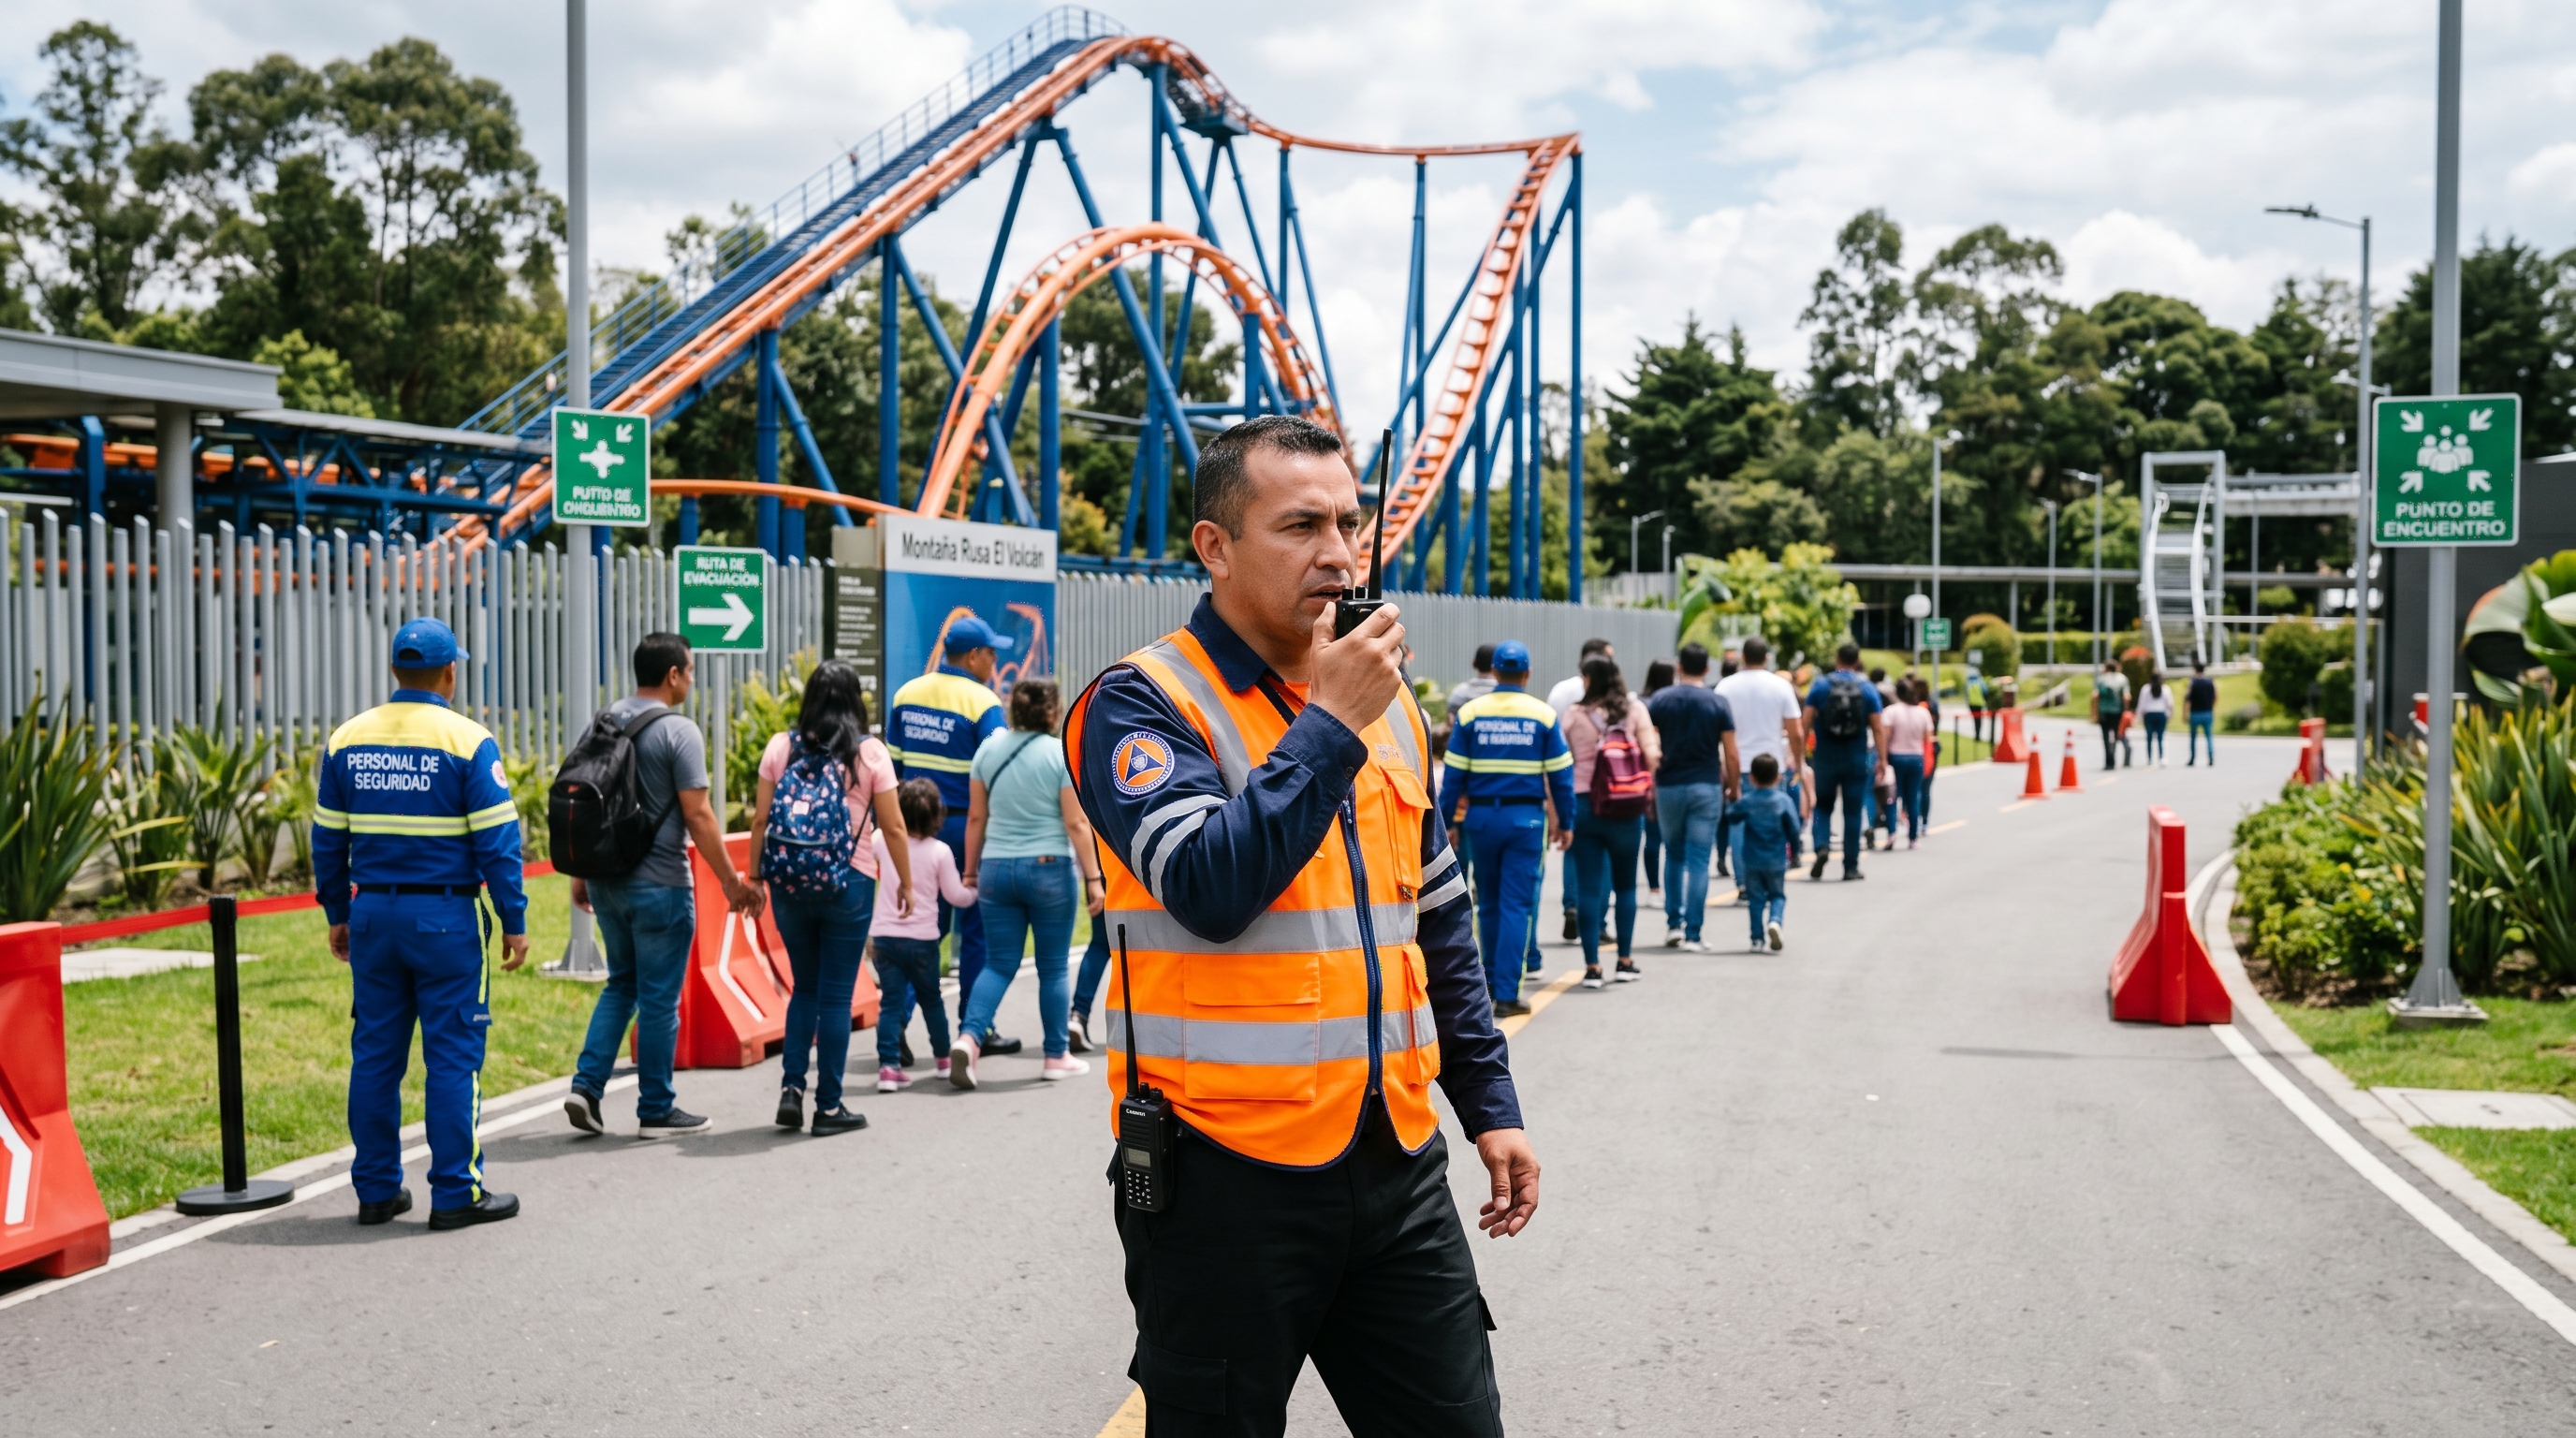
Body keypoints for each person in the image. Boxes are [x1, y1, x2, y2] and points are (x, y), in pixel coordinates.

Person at [1063, 415, 1537, 1434]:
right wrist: (1328, 725)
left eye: (1349, 524)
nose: (1337, 553)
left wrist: (1488, 1102)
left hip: (1394, 1158)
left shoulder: (1385, 703)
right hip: (1220, 1176)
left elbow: (1437, 921)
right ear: (1215, 547)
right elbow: (1208, 887)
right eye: (1299, 526)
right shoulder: (1139, 705)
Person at [315, 617, 529, 1229]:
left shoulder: (346, 739)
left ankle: (378, 1190)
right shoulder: (467, 741)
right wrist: (513, 918)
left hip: (373, 917)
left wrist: (337, 912)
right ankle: (456, 1193)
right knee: (453, 1058)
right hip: (446, 920)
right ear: (449, 672)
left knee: (375, 1056)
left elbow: (328, 838)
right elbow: (497, 843)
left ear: (394, 671)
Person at [565, 633, 754, 1142]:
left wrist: (582, 874)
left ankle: (586, 1087)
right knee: (658, 999)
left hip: (607, 882)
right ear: (673, 674)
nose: (691, 680)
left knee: (620, 983)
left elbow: (590, 805)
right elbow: (698, 814)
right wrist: (731, 882)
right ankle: (656, 1108)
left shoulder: (603, 721)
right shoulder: (679, 731)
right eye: (689, 671)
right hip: (662, 885)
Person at [749, 658, 910, 1137]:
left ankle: (791, 1090)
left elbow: (760, 821)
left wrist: (756, 878)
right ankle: (830, 1107)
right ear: (855, 701)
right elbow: (895, 826)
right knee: (837, 997)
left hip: (789, 883)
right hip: (850, 882)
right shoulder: (869, 754)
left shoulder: (782, 747)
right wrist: (906, 882)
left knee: (805, 988)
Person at [955, 677, 1105, 1087]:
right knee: (1053, 967)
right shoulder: (1058, 753)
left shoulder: (987, 750)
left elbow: (976, 819)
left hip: (996, 868)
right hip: (1048, 867)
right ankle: (1056, 1055)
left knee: (998, 962)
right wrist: (1093, 877)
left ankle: (969, 1039)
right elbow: (1075, 822)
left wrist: (970, 871)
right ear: (1053, 712)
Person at [886, 613, 1018, 1056]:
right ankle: (974, 1027)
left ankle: (899, 1024)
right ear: (974, 656)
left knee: (921, 931)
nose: (995, 661)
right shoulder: (982, 702)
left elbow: (895, 769)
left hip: (913, 831)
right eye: (991, 653)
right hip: (965, 828)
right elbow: (999, 766)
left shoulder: (907, 693)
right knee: (976, 931)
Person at [1438, 638, 1573, 1017]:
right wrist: (1567, 821)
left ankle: (1491, 984)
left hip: (1481, 821)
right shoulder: (1543, 715)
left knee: (1489, 904)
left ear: (1494, 672)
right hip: (1526, 821)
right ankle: (1509, 994)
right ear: (1527, 674)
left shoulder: (1470, 713)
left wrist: (1447, 823)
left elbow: (1453, 778)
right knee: (1518, 905)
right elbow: (1561, 777)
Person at [869, 779, 974, 1091]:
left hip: (885, 937)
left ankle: (888, 1068)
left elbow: (873, 833)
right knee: (932, 1002)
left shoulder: (884, 843)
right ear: (936, 817)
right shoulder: (940, 852)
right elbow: (955, 895)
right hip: (924, 940)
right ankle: (943, 1060)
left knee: (890, 1003)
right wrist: (973, 893)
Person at [1563, 656, 1660, 987]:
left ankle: (1592, 968)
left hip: (1584, 804)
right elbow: (1653, 755)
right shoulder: (1633, 711)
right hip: (1625, 806)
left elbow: (1562, 761)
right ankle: (1625, 961)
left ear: (1588, 679)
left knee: (1588, 889)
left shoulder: (1574, 715)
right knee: (1627, 886)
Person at [1647, 641, 1735, 952]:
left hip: (1669, 785)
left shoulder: (1659, 700)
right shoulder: (1718, 702)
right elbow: (1730, 750)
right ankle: (1694, 933)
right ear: (1707, 669)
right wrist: (1733, 785)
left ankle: (1673, 925)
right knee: (1699, 860)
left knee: (1673, 854)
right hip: (1706, 785)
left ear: (1679, 667)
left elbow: (1649, 744)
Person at [1714, 636, 1806, 896]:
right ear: (1767, 658)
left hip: (1736, 764)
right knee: (1774, 822)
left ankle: (1743, 883)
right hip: (1771, 767)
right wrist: (1799, 764)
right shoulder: (1780, 686)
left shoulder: (1725, 687)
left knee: (1738, 823)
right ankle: (1771, 878)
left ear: (1742, 657)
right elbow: (1796, 732)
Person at [1801, 643, 1889, 882]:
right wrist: (1882, 759)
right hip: (1856, 756)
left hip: (1826, 756)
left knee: (1822, 805)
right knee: (1852, 811)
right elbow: (1878, 728)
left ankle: (1821, 846)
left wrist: (1799, 754)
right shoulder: (1867, 688)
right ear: (1857, 660)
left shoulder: (1821, 685)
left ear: (1836, 658)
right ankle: (1850, 866)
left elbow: (1805, 721)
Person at [1548, 637, 1614, 946]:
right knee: (1605, 858)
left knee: (1573, 852)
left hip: (1573, 785)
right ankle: (1599, 921)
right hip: (1611, 791)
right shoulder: (1618, 700)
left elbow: (1554, 743)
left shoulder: (1561, 692)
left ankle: (1572, 906)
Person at [1734, 754, 1800, 954]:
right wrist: (1795, 852)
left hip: (1752, 859)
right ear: (1778, 777)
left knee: (1755, 900)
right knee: (1777, 895)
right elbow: (1794, 829)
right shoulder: (1783, 801)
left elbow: (1732, 816)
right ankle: (1775, 921)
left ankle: (1756, 939)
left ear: (1751, 777)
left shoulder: (1747, 801)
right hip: (1776, 859)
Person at [1636, 659, 1675, 897]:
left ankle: (1654, 888)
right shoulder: (1670, 703)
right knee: (1667, 837)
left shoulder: (1640, 703)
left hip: (1640, 776)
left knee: (1650, 836)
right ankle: (1668, 889)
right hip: (1666, 774)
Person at [1883, 677, 1934, 847]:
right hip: (1916, 757)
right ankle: (1913, 837)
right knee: (1912, 798)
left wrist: (1882, 759)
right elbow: (1928, 737)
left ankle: (1891, 832)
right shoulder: (1922, 712)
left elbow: (1885, 736)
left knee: (1891, 797)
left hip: (1896, 756)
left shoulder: (1891, 711)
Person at [2093, 659, 2130, 770]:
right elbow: (2126, 697)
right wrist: (2126, 710)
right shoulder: (2122, 679)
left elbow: (2095, 696)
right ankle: (2113, 757)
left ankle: (2109, 761)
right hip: (2117, 712)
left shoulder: (2101, 679)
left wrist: (2094, 713)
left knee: (2105, 737)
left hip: (2104, 711)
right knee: (2115, 736)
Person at [1447, 643, 1498, 718]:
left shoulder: (1459, 692)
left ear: (1474, 664)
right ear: (1497, 666)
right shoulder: (1506, 694)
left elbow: (1451, 722)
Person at [2136, 671, 2174, 766]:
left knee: (2149, 738)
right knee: (2161, 737)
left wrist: (2138, 716)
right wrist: (2170, 714)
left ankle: (2149, 759)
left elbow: (2141, 704)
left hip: (2149, 715)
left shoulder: (2146, 689)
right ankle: (2161, 757)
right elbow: (2169, 704)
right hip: (2161, 714)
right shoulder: (2165, 689)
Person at [2187, 659, 2218, 766]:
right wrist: (2211, 707)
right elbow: (2215, 697)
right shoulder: (2210, 682)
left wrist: (2185, 713)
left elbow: (2187, 699)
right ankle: (2210, 757)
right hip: (2207, 712)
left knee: (2193, 737)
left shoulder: (2193, 682)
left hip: (2195, 712)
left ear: (2195, 669)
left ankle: (2192, 758)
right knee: (2209, 736)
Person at [1965, 665, 1991, 745]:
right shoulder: (1980, 682)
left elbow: (1966, 694)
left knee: (1975, 720)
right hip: (1979, 704)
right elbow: (1985, 692)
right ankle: (1978, 736)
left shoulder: (1968, 683)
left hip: (1971, 704)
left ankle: (1976, 735)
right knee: (1979, 721)